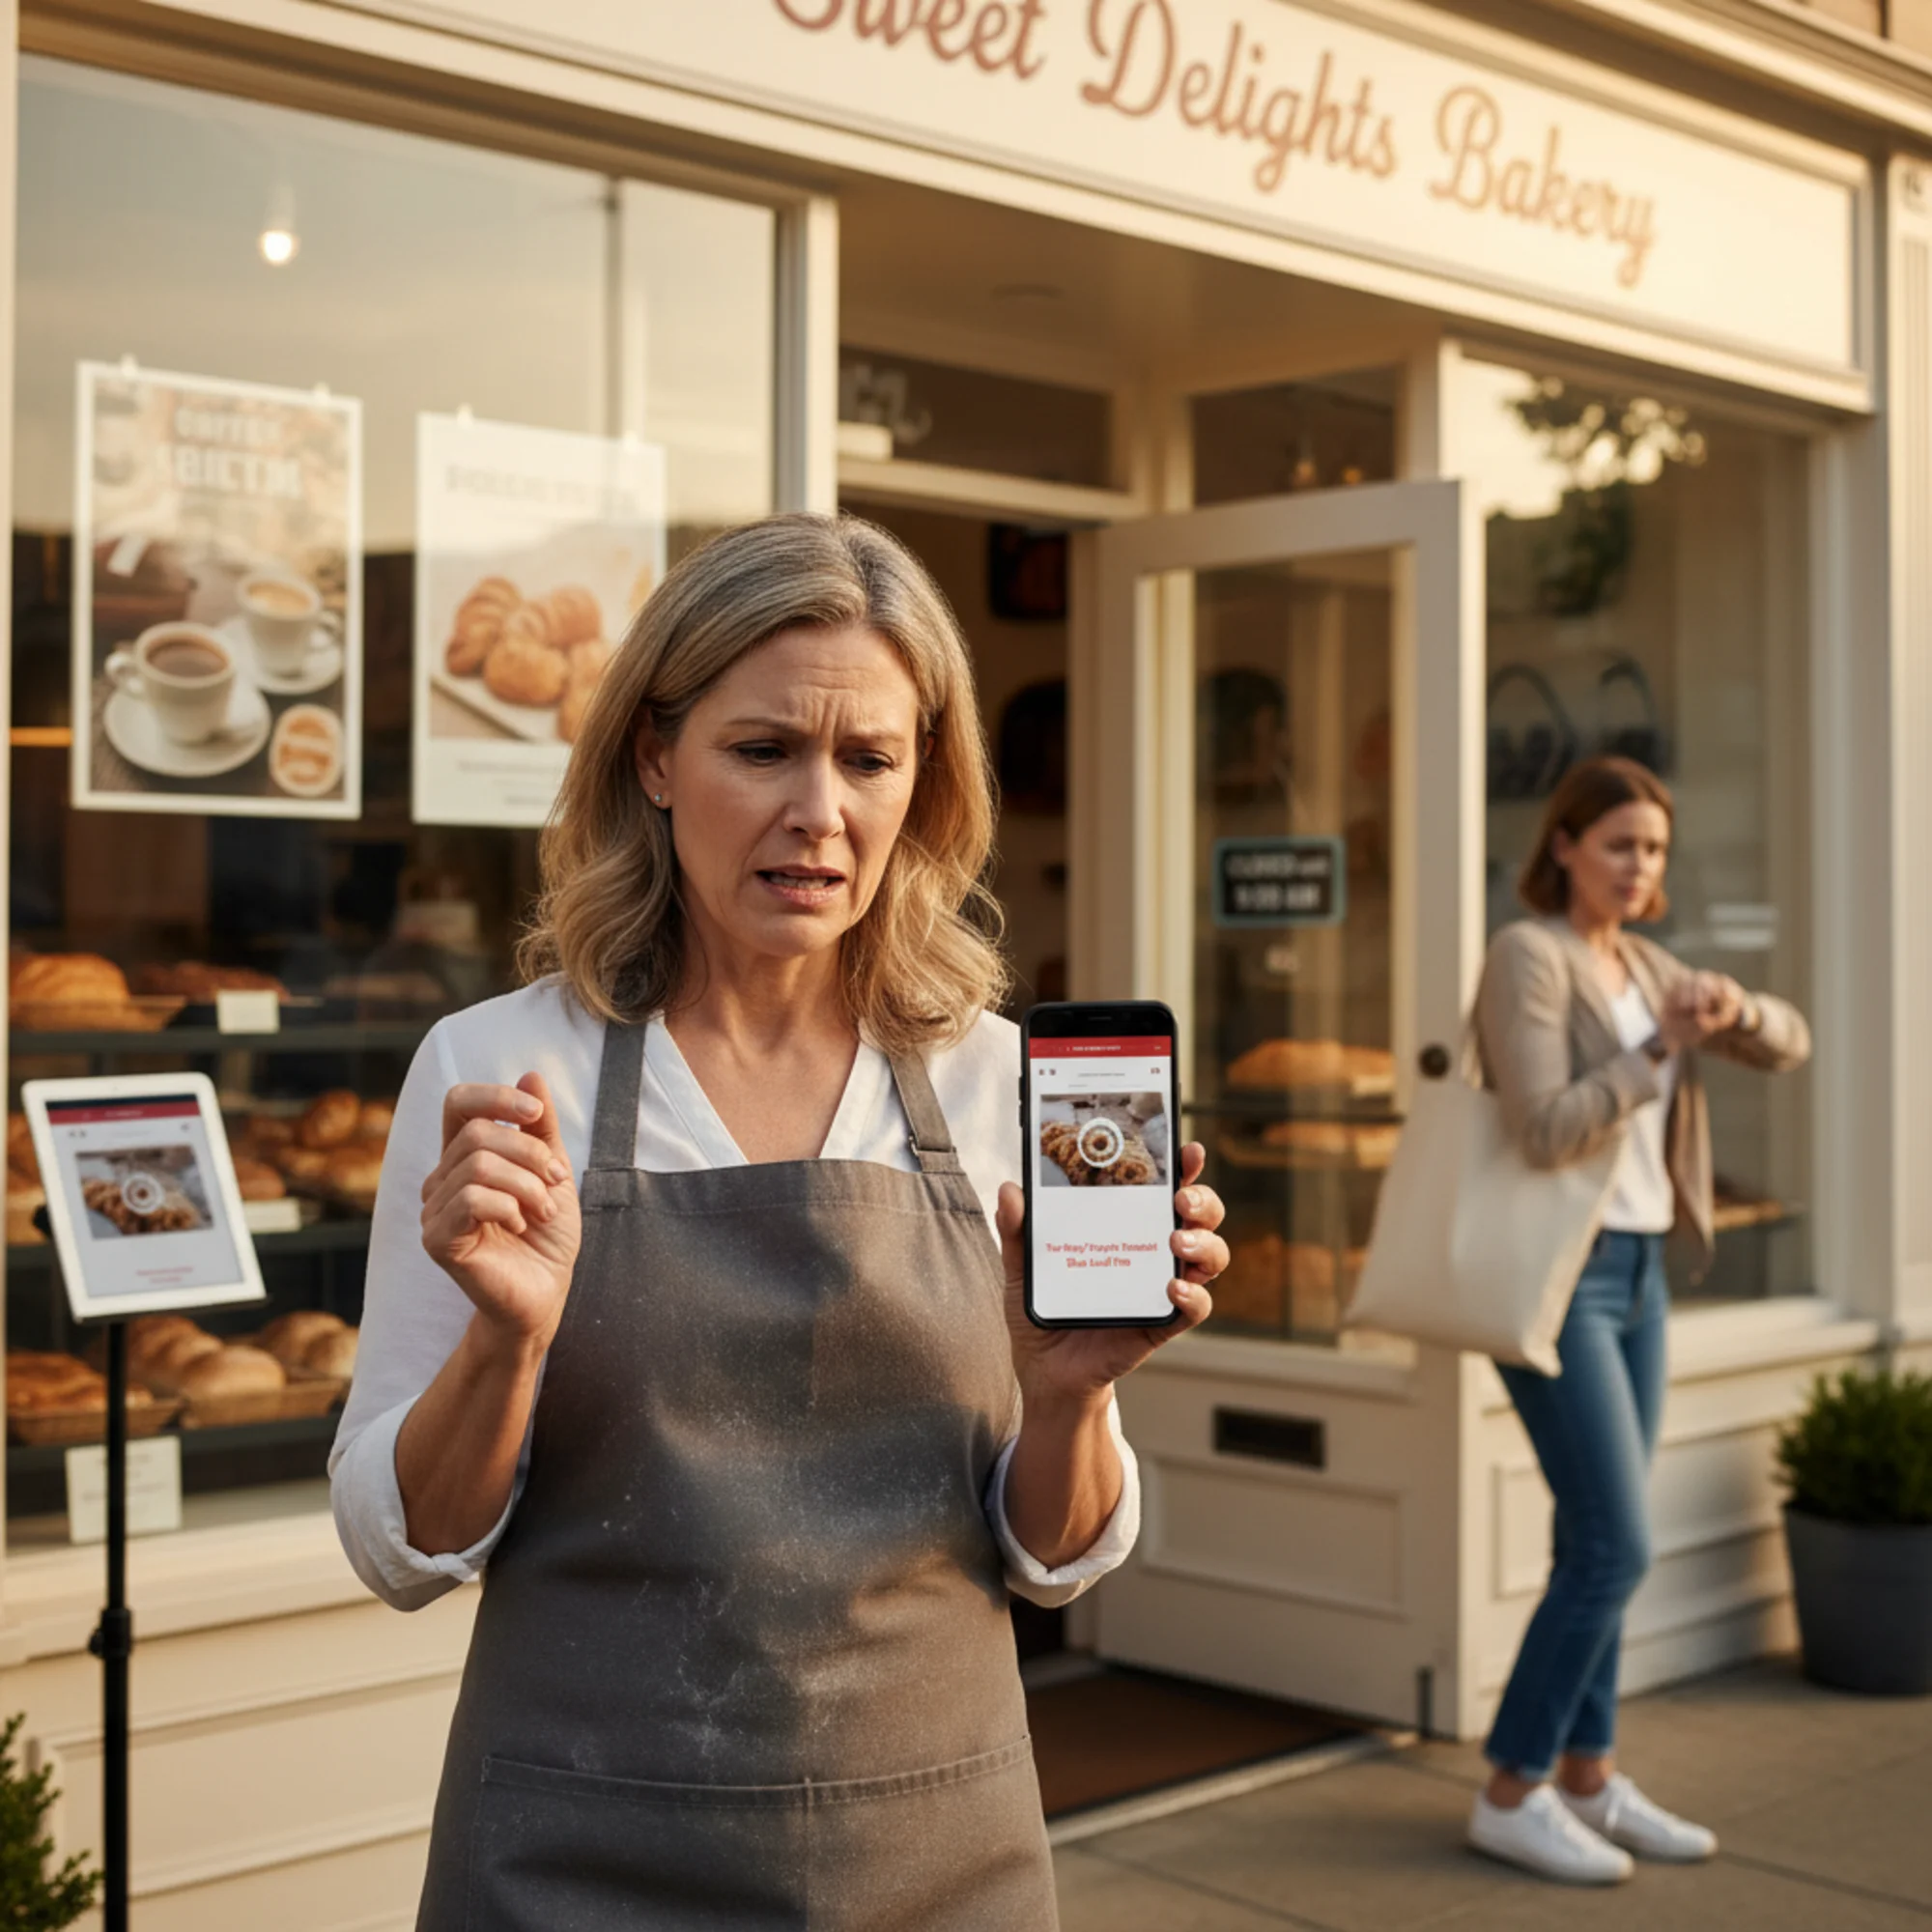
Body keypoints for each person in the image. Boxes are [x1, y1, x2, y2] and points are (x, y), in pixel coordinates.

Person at [328, 513, 1228, 1929]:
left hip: (939, 1853)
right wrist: (506, 1344)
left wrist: (1069, 1397)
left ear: (923, 784)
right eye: (763, 751)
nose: (820, 809)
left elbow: (1053, 1562)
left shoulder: (1000, 1085)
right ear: (654, 759)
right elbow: (402, 1548)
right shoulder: (502, 1074)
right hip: (575, 1851)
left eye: (870, 759)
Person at [1467, 755, 1809, 1887]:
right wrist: (1656, 1045)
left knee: (1592, 1540)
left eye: (1653, 848)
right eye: (1617, 842)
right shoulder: (1531, 955)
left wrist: (1726, 1007)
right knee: (1616, 1542)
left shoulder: (1646, 962)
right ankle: (1510, 1786)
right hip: (1564, 1280)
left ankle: (1586, 1774)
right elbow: (1540, 1125)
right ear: (1561, 843)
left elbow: (1787, 1041)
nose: (1637, 865)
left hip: (1642, 1275)